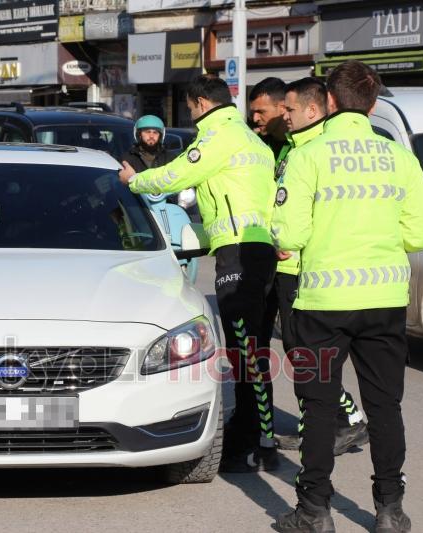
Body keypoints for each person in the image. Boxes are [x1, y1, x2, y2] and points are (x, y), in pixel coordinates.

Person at [272, 60, 423, 532]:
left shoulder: (309, 155)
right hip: (384, 300)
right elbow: (422, 232)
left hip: (322, 304)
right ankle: (390, 509)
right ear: (374, 103)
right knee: (385, 407)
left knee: (320, 408)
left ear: (329, 101)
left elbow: (289, 232)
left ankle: (314, 511)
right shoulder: (399, 158)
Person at [119, 75, 279, 473]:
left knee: (245, 353)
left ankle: (254, 443)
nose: (190, 116)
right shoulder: (253, 141)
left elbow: (175, 176)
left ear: (202, 103)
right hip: (258, 250)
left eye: (189, 109)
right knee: (252, 350)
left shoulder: (219, 138)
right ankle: (258, 435)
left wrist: (134, 181)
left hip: (239, 254)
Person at [266, 78, 369, 455]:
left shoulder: (314, 150)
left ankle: (348, 419)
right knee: (300, 354)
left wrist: (283, 240)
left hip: (302, 270)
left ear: (313, 110)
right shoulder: (294, 148)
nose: (283, 115)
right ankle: (324, 425)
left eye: (289, 109)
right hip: (288, 266)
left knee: (307, 355)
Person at [249, 77, 288, 159]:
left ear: (283, 108)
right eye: (253, 113)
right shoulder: (256, 143)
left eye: (261, 112)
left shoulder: (302, 144)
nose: (255, 119)